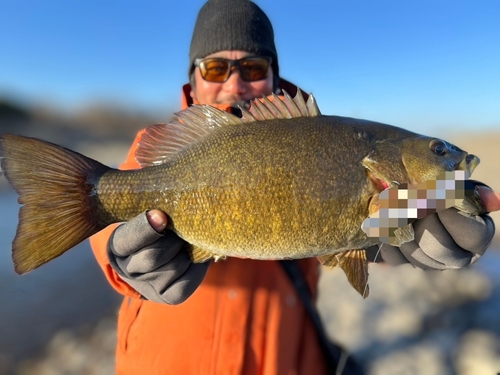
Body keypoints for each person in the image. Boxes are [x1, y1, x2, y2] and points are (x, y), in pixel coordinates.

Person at [90, 1, 497, 374]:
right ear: (193, 79)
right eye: (215, 69)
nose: (235, 85)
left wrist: (388, 244)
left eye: (252, 68)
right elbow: (119, 203)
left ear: (273, 74)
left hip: (283, 357)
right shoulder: (160, 150)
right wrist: (120, 254)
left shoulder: (329, 144)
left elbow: (354, 238)